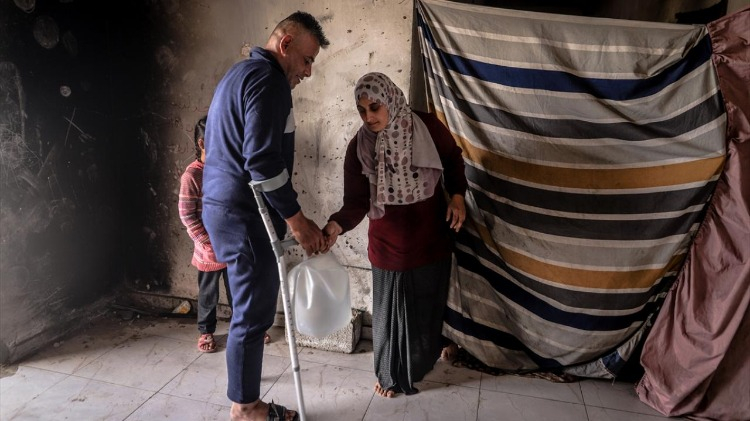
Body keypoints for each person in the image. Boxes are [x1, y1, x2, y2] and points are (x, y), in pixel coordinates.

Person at [201, 11, 329, 421]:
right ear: (285, 44)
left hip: (224, 206)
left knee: (250, 307)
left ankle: (245, 400)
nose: (308, 71)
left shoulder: (240, 73)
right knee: (253, 312)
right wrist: (297, 221)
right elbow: (262, 161)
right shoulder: (268, 81)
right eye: (306, 60)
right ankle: (245, 408)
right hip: (243, 212)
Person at [322, 72, 468, 398]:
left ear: (391, 100)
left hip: (431, 239)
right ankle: (389, 374)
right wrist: (335, 226)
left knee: (427, 310)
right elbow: (356, 202)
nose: (368, 117)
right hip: (388, 246)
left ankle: (421, 363)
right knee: (388, 317)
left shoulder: (426, 128)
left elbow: (453, 159)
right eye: (362, 110)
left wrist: (458, 196)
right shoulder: (360, 148)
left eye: (374, 107)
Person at [178, 116, 269, 354]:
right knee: (208, 294)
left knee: (238, 289)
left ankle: (247, 328)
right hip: (208, 250)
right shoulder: (192, 176)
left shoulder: (226, 170)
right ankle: (206, 331)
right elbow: (187, 216)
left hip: (232, 246)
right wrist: (207, 242)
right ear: (201, 144)